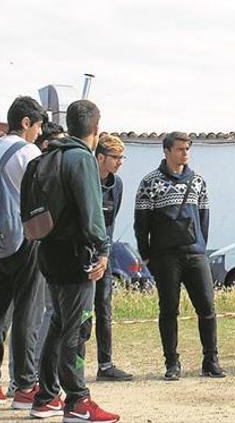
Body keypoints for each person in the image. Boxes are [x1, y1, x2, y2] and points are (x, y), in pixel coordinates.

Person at [30, 99, 119, 422]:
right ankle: (77, 401)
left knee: (57, 324)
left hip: (48, 252)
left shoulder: (50, 154)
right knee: (76, 327)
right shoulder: (81, 159)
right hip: (76, 255)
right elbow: (91, 211)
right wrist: (103, 249)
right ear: (96, 128)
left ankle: (45, 397)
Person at [134, 132, 225, 380]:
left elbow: (204, 217)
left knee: (207, 307)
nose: (185, 153)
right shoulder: (149, 182)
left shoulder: (198, 181)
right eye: (180, 149)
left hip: (195, 255)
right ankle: (172, 363)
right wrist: (146, 255)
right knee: (168, 310)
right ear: (166, 151)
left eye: (188, 149)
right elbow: (141, 223)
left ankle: (211, 360)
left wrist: (201, 247)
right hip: (165, 257)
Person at [0, 96, 45, 409]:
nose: (40, 133)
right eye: (38, 125)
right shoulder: (28, 152)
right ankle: (25, 386)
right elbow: (42, 195)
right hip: (23, 239)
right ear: (26, 123)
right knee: (28, 310)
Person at [90, 134, 134, 381]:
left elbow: (110, 221)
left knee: (104, 309)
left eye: (121, 158)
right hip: (82, 255)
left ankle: (105, 365)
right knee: (82, 314)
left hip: (104, 255)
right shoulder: (85, 181)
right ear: (100, 157)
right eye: (115, 158)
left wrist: (104, 253)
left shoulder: (116, 185)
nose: (119, 162)